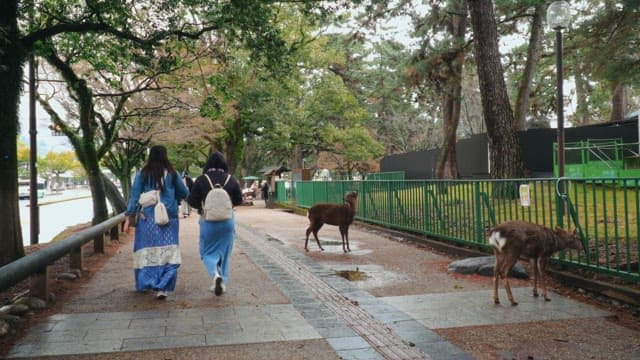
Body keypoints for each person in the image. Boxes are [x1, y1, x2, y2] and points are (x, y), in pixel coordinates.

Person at [123, 145, 189, 299]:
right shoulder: (173, 174)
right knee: (169, 251)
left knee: (148, 250)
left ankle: (148, 281)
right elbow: (184, 193)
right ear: (165, 156)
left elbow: (134, 197)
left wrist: (129, 216)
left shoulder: (142, 174)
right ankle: (163, 287)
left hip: (148, 219)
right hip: (169, 218)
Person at [186, 151, 242, 296]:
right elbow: (238, 200)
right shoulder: (231, 179)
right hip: (228, 222)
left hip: (208, 222)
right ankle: (222, 282)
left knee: (207, 252)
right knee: (224, 252)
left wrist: (202, 206)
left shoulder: (201, 180)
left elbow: (192, 201)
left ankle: (214, 274)